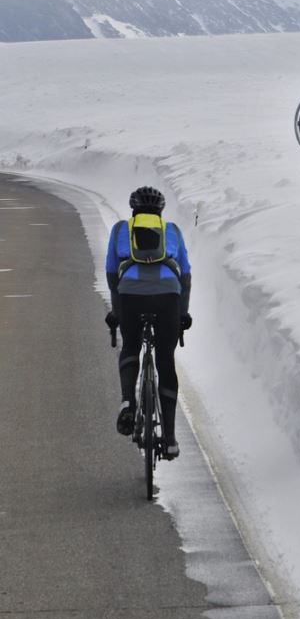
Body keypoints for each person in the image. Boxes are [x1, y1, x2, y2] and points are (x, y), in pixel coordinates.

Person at [104, 186, 192, 459]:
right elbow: (185, 276)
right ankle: (170, 437)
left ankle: (128, 401)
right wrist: (182, 313)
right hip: (168, 297)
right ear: (160, 212)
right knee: (165, 360)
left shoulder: (121, 230)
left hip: (131, 295)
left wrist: (117, 311)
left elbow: (111, 274)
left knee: (130, 345)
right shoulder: (173, 231)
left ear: (133, 211)